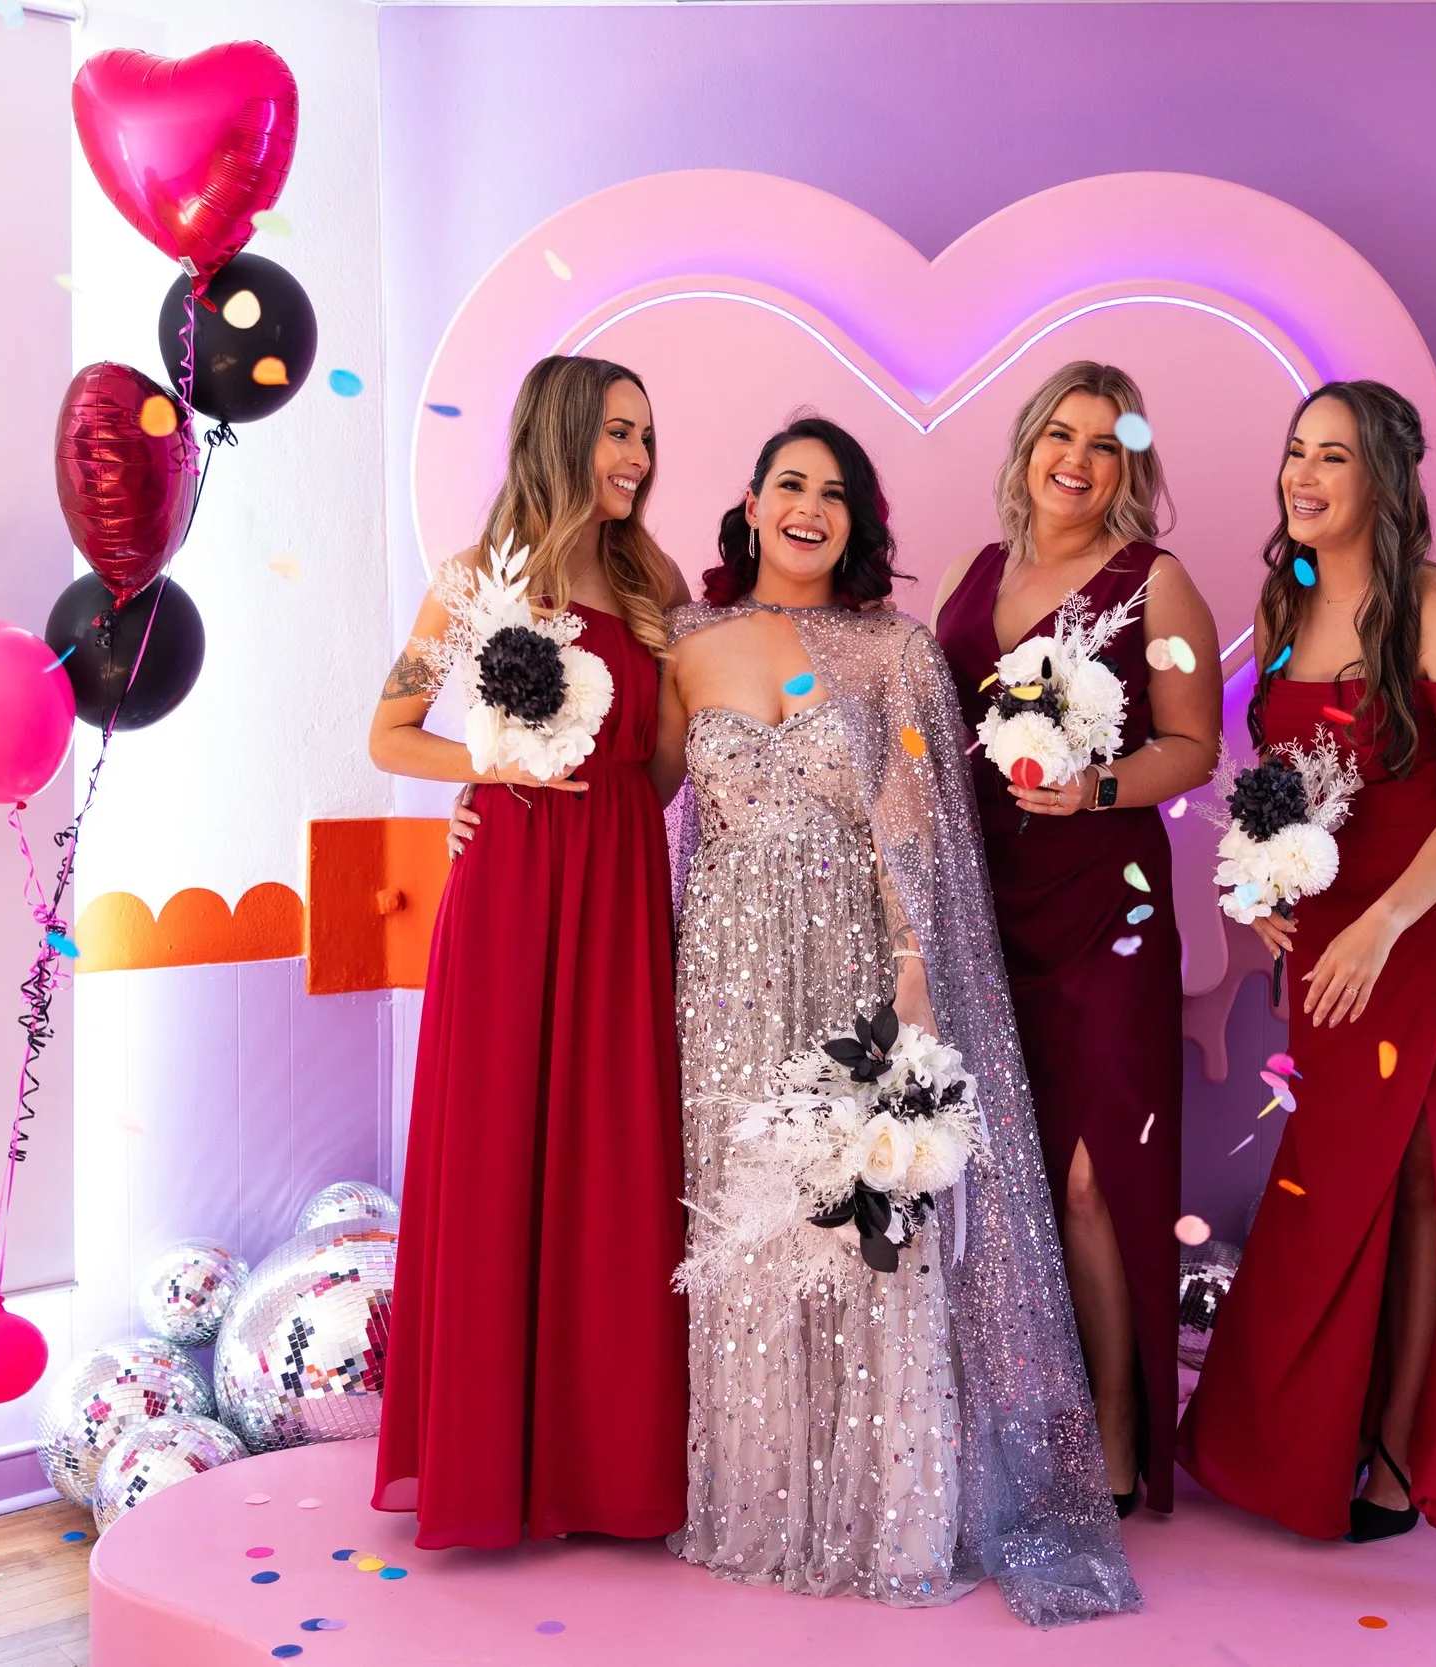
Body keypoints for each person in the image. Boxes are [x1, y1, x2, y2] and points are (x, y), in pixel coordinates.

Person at [455, 416, 1138, 1625]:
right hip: (722, 971)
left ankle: (889, 1509)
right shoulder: (688, 640)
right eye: (788, 484)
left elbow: (914, 820)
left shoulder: (893, 652)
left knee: (865, 1219)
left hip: (853, 961)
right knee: (746, 1226)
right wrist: (492, 781)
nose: (808, 506)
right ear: (753, 504)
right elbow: (636, 786)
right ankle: (757, 1501)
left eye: (834, 491)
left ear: (858, 519)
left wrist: (915, 971)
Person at [1178, 380, 1436, 1564]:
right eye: (1293, 451)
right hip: (1331, 936)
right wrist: (1264, 890)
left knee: (1426, 1181)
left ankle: (1389, 1450)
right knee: (1329, 1183)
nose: (1302, 474)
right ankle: (1288, 1443)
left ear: (1382, 477)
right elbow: (1286, 784)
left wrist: (1377, 926)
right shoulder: (1289, 600)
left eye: (1331, 455)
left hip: (1428, 921)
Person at [367, 354, 691, 1550]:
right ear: (561, 435)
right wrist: (488, 769)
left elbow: (662, 759)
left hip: (615, 877)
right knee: (499, 1146)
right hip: (510, 882)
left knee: (613, 1153)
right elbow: (391, 730)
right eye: (618, 432)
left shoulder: (651, 574)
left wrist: (613, 807)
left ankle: (607, 1467)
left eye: (647, 436)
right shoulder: (470, 579)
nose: (639, 458)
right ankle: (489, 1467)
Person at [931, 363, 1222, 1517]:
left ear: (1129, 470)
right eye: (1062, 432)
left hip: (1107, 903)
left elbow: (1193, 745)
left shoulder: (1160, 583)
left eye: (1106, 444)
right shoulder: (972, 570)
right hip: (979, 900)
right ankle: (1009, 1413)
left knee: (1096, 1178)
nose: (1079, 458)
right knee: (1000, 1175)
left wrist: (1095, 786)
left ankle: (1116, 1422)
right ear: (1029, 445)